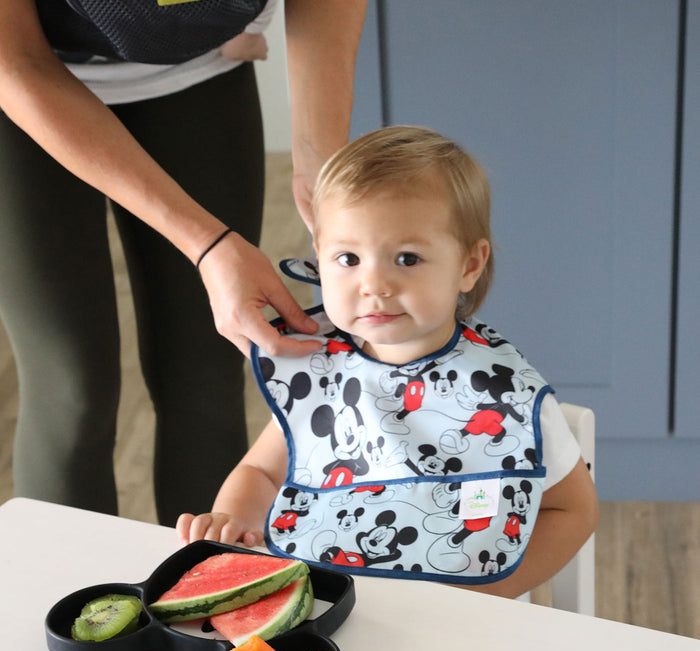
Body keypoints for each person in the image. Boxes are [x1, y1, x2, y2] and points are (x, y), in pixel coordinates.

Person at [177, 125, 599, 598]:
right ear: (319, 257)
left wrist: (489, 598)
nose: (373, 284)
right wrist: (232, 522)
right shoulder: (321, 370)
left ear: (469, 265)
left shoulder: (506, 395)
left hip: (458, 621)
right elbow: (263, 473)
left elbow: (574, 511)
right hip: (321, 603)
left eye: (407, 258)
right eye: (348, 258)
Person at [0, 0, 367, 525]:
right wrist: (207, 243)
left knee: (208, 373)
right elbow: (15, 64)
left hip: (195, 72)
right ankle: (68, 602)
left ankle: (208, 592)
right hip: (22, 78)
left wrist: (318, 157)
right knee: (71, 388)